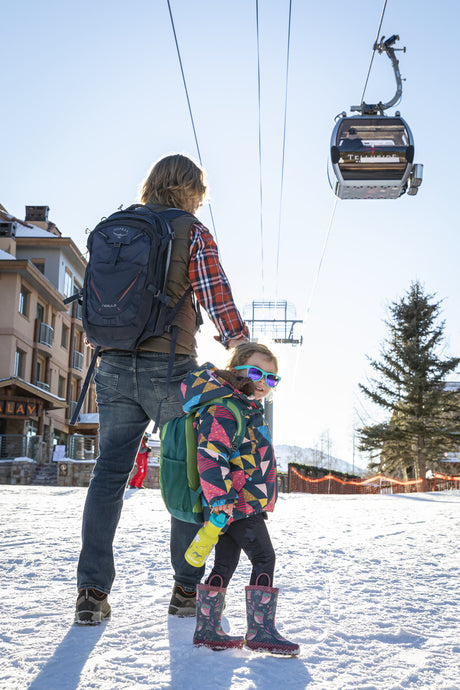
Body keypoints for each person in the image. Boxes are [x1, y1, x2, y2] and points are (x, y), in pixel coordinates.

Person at [74, 153, 249, 625]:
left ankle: (91, 592)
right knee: (184, 473)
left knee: (108, 475)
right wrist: (244, 351)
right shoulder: (191, 232)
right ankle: (185, 591)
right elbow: (217, 298)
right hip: (171, 367)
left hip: (111, 364)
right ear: (191, 190)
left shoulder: (117, 228)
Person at [180, 343, 299, 655]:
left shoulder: (244, 406)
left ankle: (208, 630)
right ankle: (261, 631)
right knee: (264, 558)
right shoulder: (223, 407)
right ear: (236, 367)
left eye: (272, 378)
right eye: (257, 372)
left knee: (226, 562)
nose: (263, 381)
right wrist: (220, 497)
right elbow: (210, 454)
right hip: (235, 502)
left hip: (236, 503)